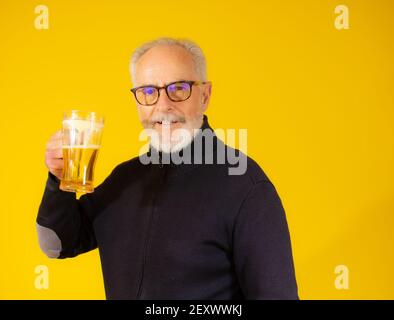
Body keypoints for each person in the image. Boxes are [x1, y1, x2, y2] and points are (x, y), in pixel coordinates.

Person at [37, 37, 298, 299]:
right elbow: (56, 244)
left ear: (205, 95)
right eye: (148, 92)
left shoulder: (246, 188)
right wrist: (58, 181)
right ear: (137, 101)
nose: (163, 105)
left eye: (179, 88)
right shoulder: (124, 180)